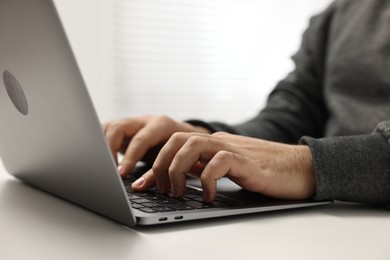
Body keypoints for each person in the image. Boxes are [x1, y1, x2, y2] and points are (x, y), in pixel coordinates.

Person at [102, 0, 390, 204]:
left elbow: (299, 160)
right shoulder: (342, 11)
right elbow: (294, 113)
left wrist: (310, 165)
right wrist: (204, 139)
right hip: (332, 217)